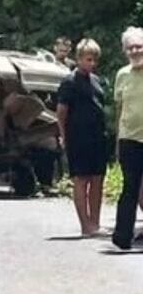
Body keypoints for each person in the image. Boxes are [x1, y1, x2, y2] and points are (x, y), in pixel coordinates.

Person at [55, 38, 107, 237]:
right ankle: (85, 225)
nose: (91, 63)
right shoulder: (69, 82)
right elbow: (61, 111)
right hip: (78, 137)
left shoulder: (96, 81)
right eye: (88, 59)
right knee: (81, 179)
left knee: (97, 179)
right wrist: (63, 135)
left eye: (94, 60)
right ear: (78, 59)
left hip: (97, 136)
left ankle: (95, 222)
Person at [111, 26, 143, 249]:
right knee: (129, 187)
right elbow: (120, 109)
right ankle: (123, 236)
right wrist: (117, 140)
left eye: (139, 46)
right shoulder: (122, 75)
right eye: (130, 48)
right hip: (129, 138)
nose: (135, 51)